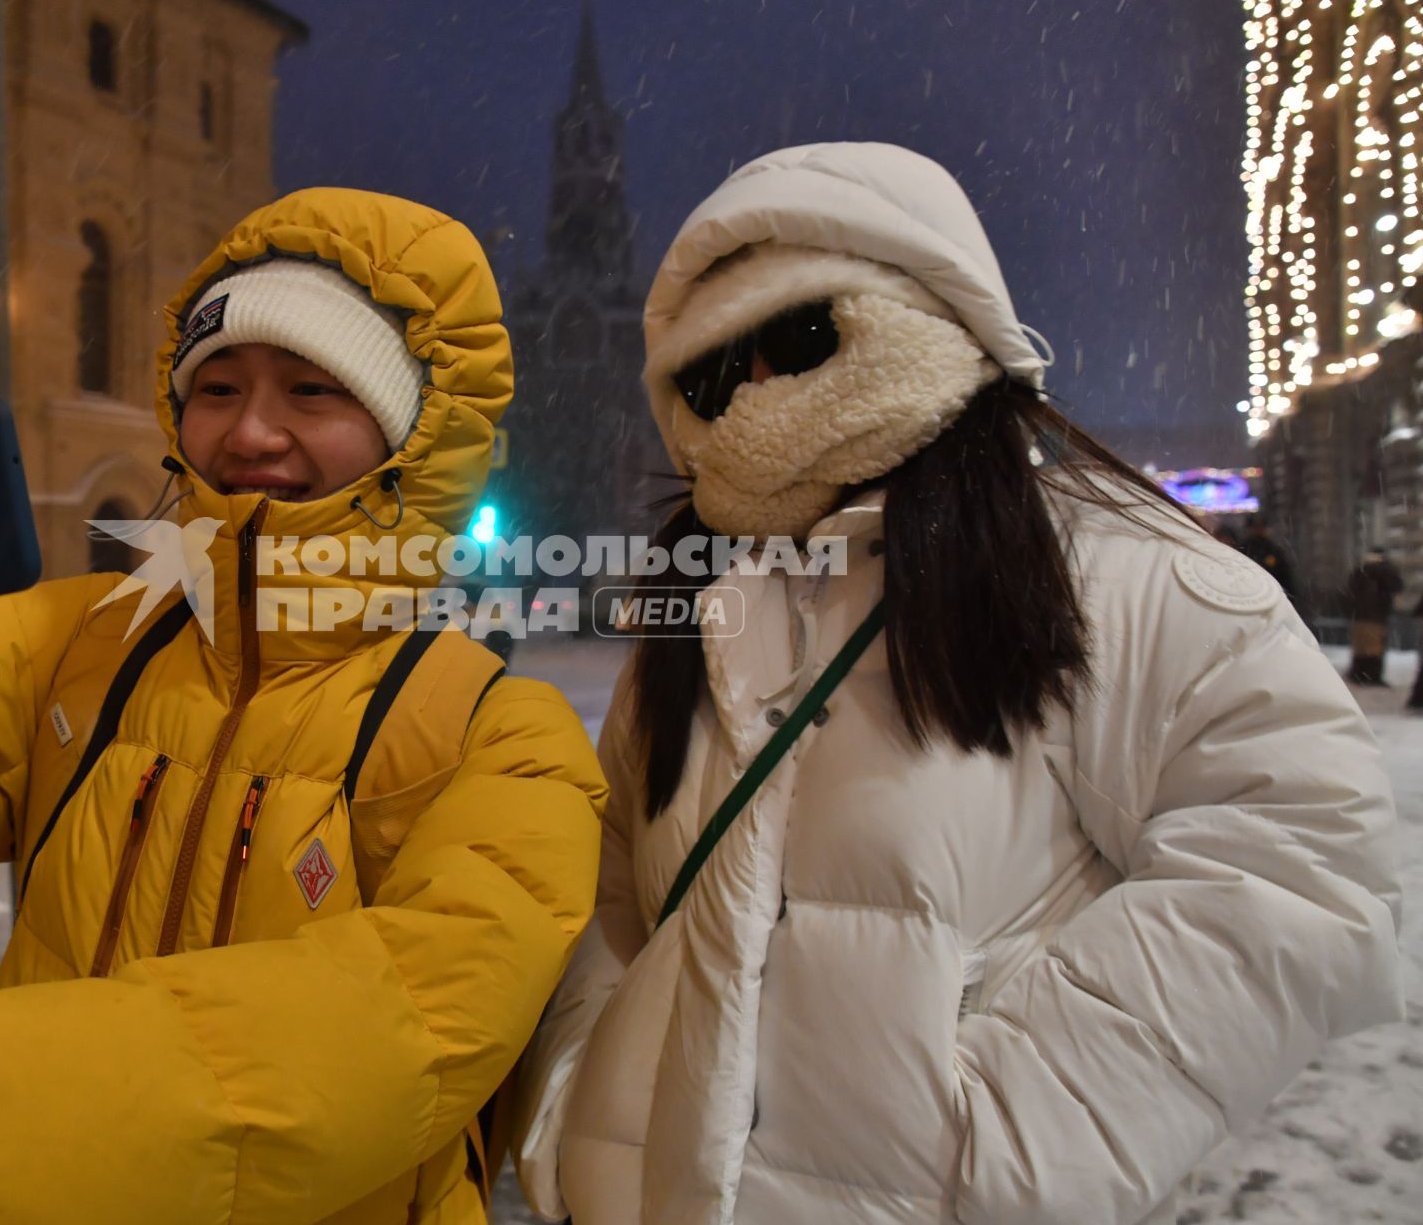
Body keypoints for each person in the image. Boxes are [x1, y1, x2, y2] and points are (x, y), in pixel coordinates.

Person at [0, 188, 606, 1223]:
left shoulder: (500, 737)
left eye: (310, 389)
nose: (252, 430)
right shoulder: (87, 641)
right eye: (217, 385)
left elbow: (406, 1029)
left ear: (410, 433)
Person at [510, 143, 1402, 1224]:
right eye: (709, 372)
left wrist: (1017, 1144)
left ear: (928, 317)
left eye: (799, 336)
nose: (750, 394)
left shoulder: (1119, 571)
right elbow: (617, 893)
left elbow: (1297, 860)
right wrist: (577, 1095)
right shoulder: (705, 598)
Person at [1344, 546, 1404, 685]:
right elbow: (1398, 586)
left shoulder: (1360, 571)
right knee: (1375, 649)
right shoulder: (1386, 571)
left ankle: (1359, 675)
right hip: (1377, 617)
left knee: (1361, 648)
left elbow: (1349, 593)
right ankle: (1372, 676)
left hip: (1358, 617)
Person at [1239, 514, 1300, 606]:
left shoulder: (1274, 551)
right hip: (1246, 598)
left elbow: (1285, 577)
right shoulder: (1242, 549)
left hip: (1271, 598)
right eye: (1255, 527)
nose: (1258, 531)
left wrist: (1288, 599)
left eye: (1261, 527)